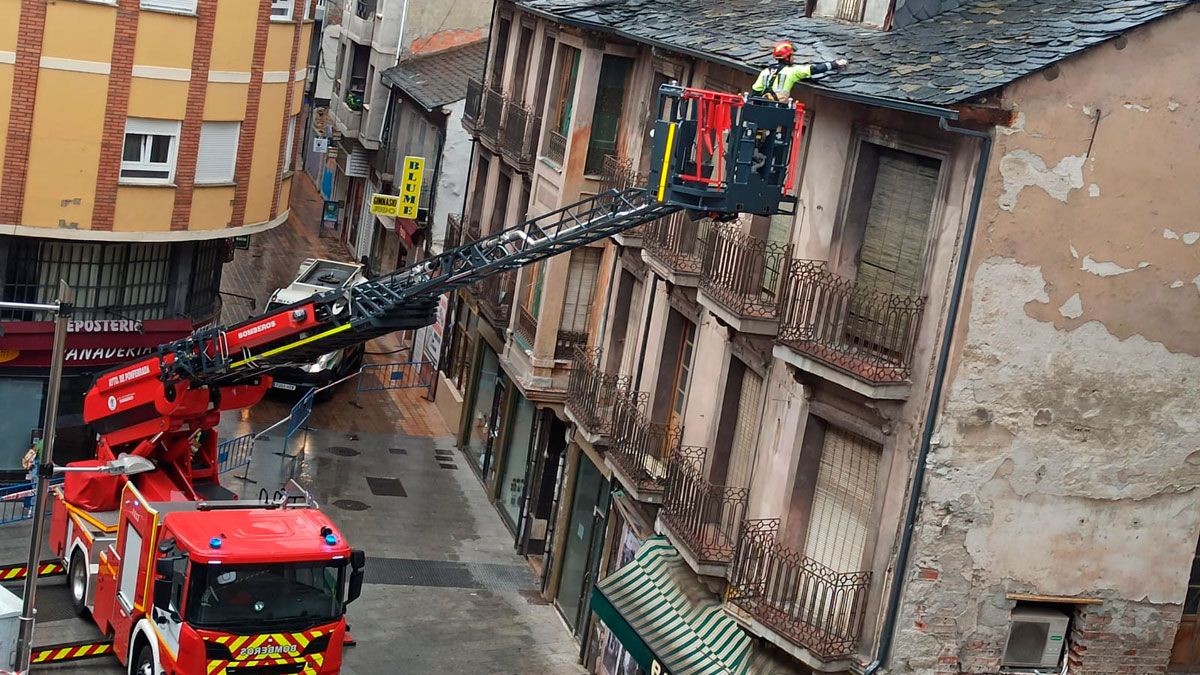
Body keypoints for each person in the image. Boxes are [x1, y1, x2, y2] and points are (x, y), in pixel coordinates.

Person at [752, 41, 849, 100]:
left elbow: (756, 91)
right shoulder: (792, 71)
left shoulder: (765, 72)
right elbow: (814, 69)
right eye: (792, 56)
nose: (793, 58)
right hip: (779, 109)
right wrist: (835, 64)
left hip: (762, 107)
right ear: (787, 57)